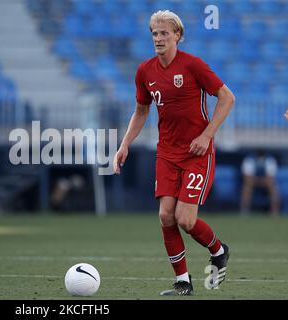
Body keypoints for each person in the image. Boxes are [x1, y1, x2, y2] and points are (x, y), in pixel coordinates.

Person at [113, 10, 235, 296]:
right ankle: (183, 281)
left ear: (177, 36)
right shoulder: (145, 71)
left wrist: (207, 135)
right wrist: (125, 143)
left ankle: (218, 250)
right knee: (166, 216)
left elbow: (228, 97)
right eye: (154, 33)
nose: (158, 38)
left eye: (164, 33)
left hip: (196, 152)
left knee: (185, 219)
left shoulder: (193, 65)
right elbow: (141, 110)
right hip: (167, 153)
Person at [240, 150, 280, 215]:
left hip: (265, 182)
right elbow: (247, 177)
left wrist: (261, 181)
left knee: (273, 187)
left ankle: (274, 211)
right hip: (253, 181)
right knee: (247, 187)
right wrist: (256, 180)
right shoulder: (250, 159)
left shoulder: (270, 159)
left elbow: (271, 178)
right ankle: (244, 211)